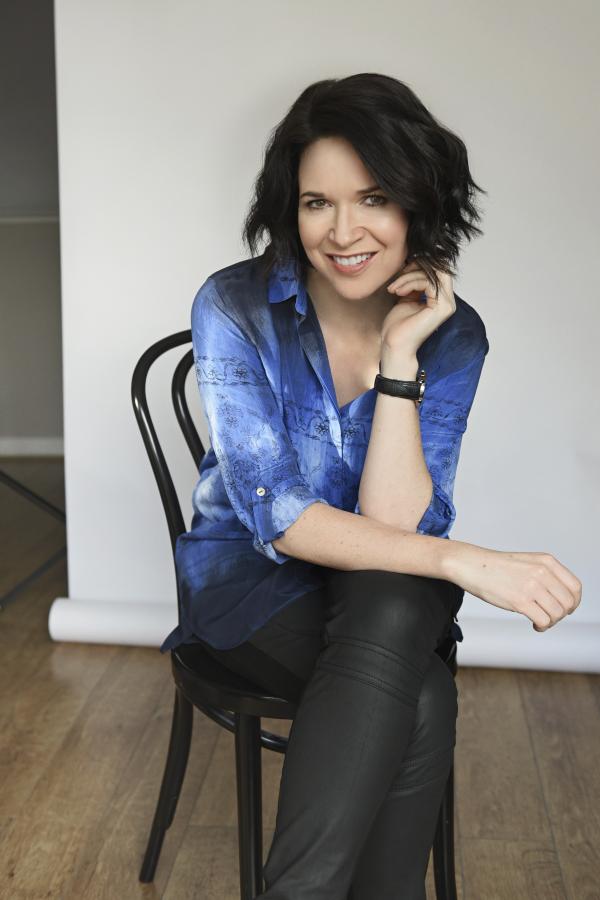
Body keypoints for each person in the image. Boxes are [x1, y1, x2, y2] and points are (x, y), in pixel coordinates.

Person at [160, 73, 582, 899]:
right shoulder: (236, 306)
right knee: (418, 684)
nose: (343, 231)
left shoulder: (452, 337)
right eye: (317, 202)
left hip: (382, 590)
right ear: (291, 207)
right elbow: (277, 517)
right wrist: (467, 561)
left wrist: (399, 364)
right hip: (251, 589)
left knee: (392, 602)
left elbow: (392, 524)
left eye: (374, 198)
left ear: (419, 205)